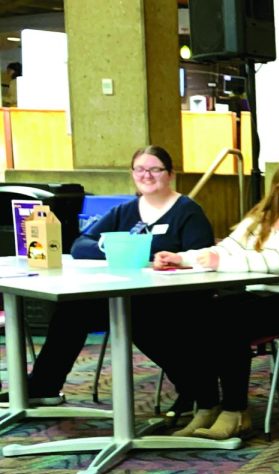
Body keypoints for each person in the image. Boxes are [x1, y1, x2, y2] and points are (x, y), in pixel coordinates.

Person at [0, 145, 217, 411]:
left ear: (170, 174)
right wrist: (112, 250)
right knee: (72, 309)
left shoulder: (187, 212)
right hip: (124, 294)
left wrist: (161, 257)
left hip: (170, 298)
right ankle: (43, 386)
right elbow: (81, 245)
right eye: (139, 169)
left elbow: (200, 256)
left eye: (154, 169)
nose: (146, 175)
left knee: (142, 320)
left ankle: (194, 389)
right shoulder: (125, 211)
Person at [154, 157, 279, 439]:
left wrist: (218, 261)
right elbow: (226, 249)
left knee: (229, 318)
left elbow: (278, 264)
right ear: (277, 184)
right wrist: (181, 258)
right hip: (260, 297)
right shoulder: (259, 220)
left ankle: (235, 412)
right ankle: (207, 405)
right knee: (194, 312)